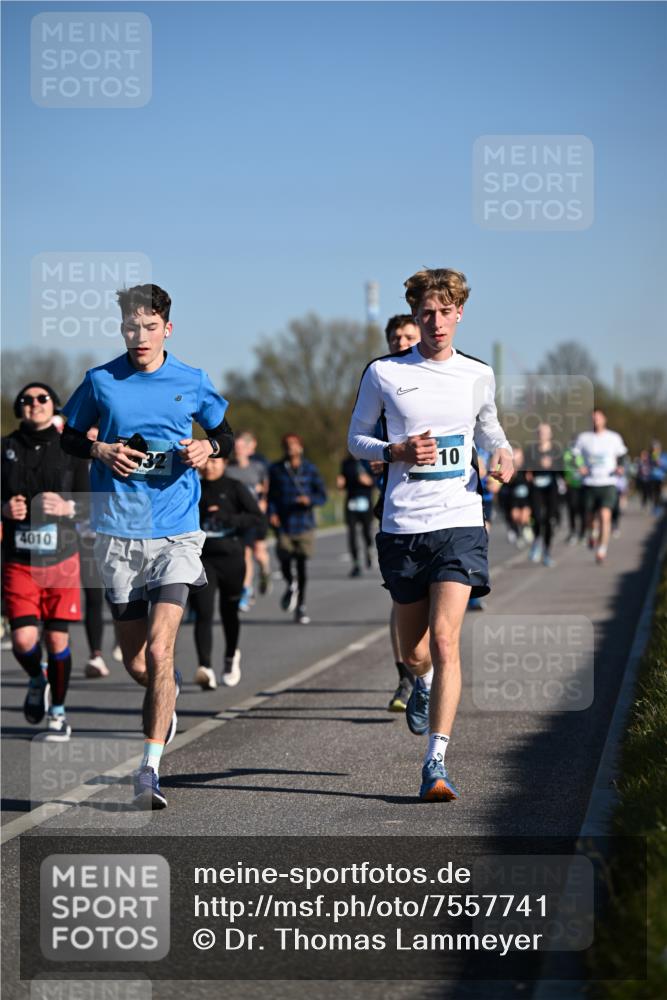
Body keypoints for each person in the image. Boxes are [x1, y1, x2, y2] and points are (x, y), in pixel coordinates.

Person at [60, 283, 233, 809]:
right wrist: (100, 448)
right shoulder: (101, 381)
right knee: (139, 663)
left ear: (167, 329)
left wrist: (209, 446)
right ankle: (166, 687)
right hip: (117, 534)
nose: (141, 335)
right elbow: (67, 435)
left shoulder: (192, 380)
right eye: (132, 326)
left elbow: (224, 431)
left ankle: (149, 771)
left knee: (160, 649)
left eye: (150, 326)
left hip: (176, 532)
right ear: (122, 328)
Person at [348, 268, 513, 801]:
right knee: (416, 652)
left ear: (459, 313)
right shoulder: (384, 373)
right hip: (403, 525)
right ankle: (417, 682)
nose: (436, 321)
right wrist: (394, 451)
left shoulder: (477, 374)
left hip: (460, 520)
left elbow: (489, 430)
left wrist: (502, 453)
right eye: (426, 313)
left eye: (444, 312)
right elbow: (356, 440)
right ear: (415, 315)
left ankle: (435, 763)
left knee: (446, 640)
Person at [2, 382, 88, 740]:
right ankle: (38, 679)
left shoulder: (72, 448)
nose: (33, 404)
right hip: (20, 558)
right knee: (23, 640)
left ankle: (58, 713)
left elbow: (95, 502)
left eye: (41, 399)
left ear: (54, 405)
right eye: (26, 400)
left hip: (62, 558)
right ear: (19, 408)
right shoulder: (5, 448)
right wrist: (2, 509)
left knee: (56, 641)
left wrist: (69, 507)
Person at [373, 315, 421, 711]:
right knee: (401, 599)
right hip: (395, 506)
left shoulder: (449, 379)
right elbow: (360, 439)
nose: (400, 342)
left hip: (447, 508)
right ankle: (406, 677)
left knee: (441, 602)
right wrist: (378, 456)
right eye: (395, 337)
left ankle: (428, 672)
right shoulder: (381, 380)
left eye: (408, 335)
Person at [191, 454, 264, 690]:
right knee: (203, 611)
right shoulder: (193, 487)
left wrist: (228, 518)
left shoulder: (235, 488)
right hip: (203, 559)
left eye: (215, 461)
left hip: (232, 558)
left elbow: (255, 517)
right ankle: (205, 667)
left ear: (224, 464)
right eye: (206, 461)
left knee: (228, 613)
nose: (209, 466)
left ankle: (231, 657)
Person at [268, 434, 327, 625]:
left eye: (293, 445)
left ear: (300, 447)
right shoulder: (276, 469)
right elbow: (270, 496)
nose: (290, 449)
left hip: (304, 524)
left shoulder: (310, 469)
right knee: (284, 557)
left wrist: (310, 500)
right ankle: (290, 583)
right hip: (284, 523)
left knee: (301, 565)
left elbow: (322, 495)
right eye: (287, 446)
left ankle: (301, 606)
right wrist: (272, 513)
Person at [573, 409, 627, 564]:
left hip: (608, 482)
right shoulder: (584, 438)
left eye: (598, 418)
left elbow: (622, 455)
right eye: (592, 418)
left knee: (605, 516)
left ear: (604, 419)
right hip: (590, 483)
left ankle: (602, 549)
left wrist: (620, 467)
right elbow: (575, 455)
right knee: (589, 518)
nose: (595, 420)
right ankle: (592, 534)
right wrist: (580, 466)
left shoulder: (614, 437)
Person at [225, 430, 271, 611]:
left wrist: (263, 501)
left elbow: (266, 488)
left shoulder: (258, 467)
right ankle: (246, 589)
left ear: (249, 449)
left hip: (257, 516)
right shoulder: (228, 469)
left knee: (260, 552)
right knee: (246, 553)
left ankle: (266, 571)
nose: (238, 450)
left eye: (242, 446)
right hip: (241, 517)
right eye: (236, 447)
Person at [525, 423, 561, 567]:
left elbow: (562, 471)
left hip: (551, 489)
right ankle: (536, 541)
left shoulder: (556, 450)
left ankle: (547, 552)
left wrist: (551, 466)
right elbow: (526, 469)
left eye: (545, 432)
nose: (542, 435)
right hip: (536, 489)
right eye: (540, 432)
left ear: (550, 434)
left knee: (549, 521)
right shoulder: (531, 450)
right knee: (538, 518)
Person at [337, 454, 374, 577]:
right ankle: (356, 564)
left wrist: (369, 481)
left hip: (365, 501)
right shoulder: (346, 463)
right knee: (352, 535)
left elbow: (378, 480)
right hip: (351, 502)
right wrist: (341, 483)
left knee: (366, 533)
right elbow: (343, 480)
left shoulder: (369, 460)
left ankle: (369, 550)